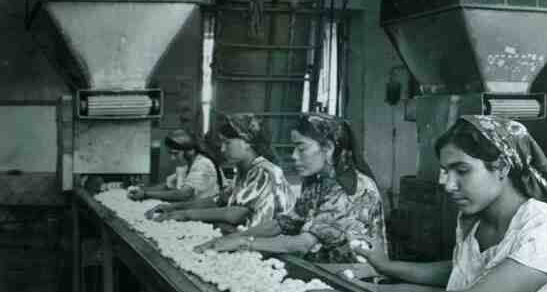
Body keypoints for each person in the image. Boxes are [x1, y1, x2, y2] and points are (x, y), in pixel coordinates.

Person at [297, 115, 547, 292]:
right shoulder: (473, 221)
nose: (447, 183)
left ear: (502, 167)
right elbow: (463, 271)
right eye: (445, 171)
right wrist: (388, 267)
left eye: (462, 171)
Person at [193, 113, 387, 265]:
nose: (294, 156)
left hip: (353, 281)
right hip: (324, 271)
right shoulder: (320, 183)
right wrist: (236, 236)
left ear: (327, 148)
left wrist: (244, 242)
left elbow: (303, 242)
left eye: (301, 148)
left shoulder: (354, 189)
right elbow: (283, 223)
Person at [145, 114, 295, 231]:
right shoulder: (243, 171)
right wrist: (173, 208)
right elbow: (217, 201)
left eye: (227, 142)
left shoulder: (265, 172)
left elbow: (237, 213)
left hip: (265, 244)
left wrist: (185, 214)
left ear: (247, 142)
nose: (222, 149)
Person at [128, 128, 223, 202]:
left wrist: (145, 194)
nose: (172, 158)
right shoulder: (188, 166)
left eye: (175, 153)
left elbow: (184, 194)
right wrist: (141, 189)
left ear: (189, 151)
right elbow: (167, 186)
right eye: (171, 154)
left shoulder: (203, 164)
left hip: (206, 212)